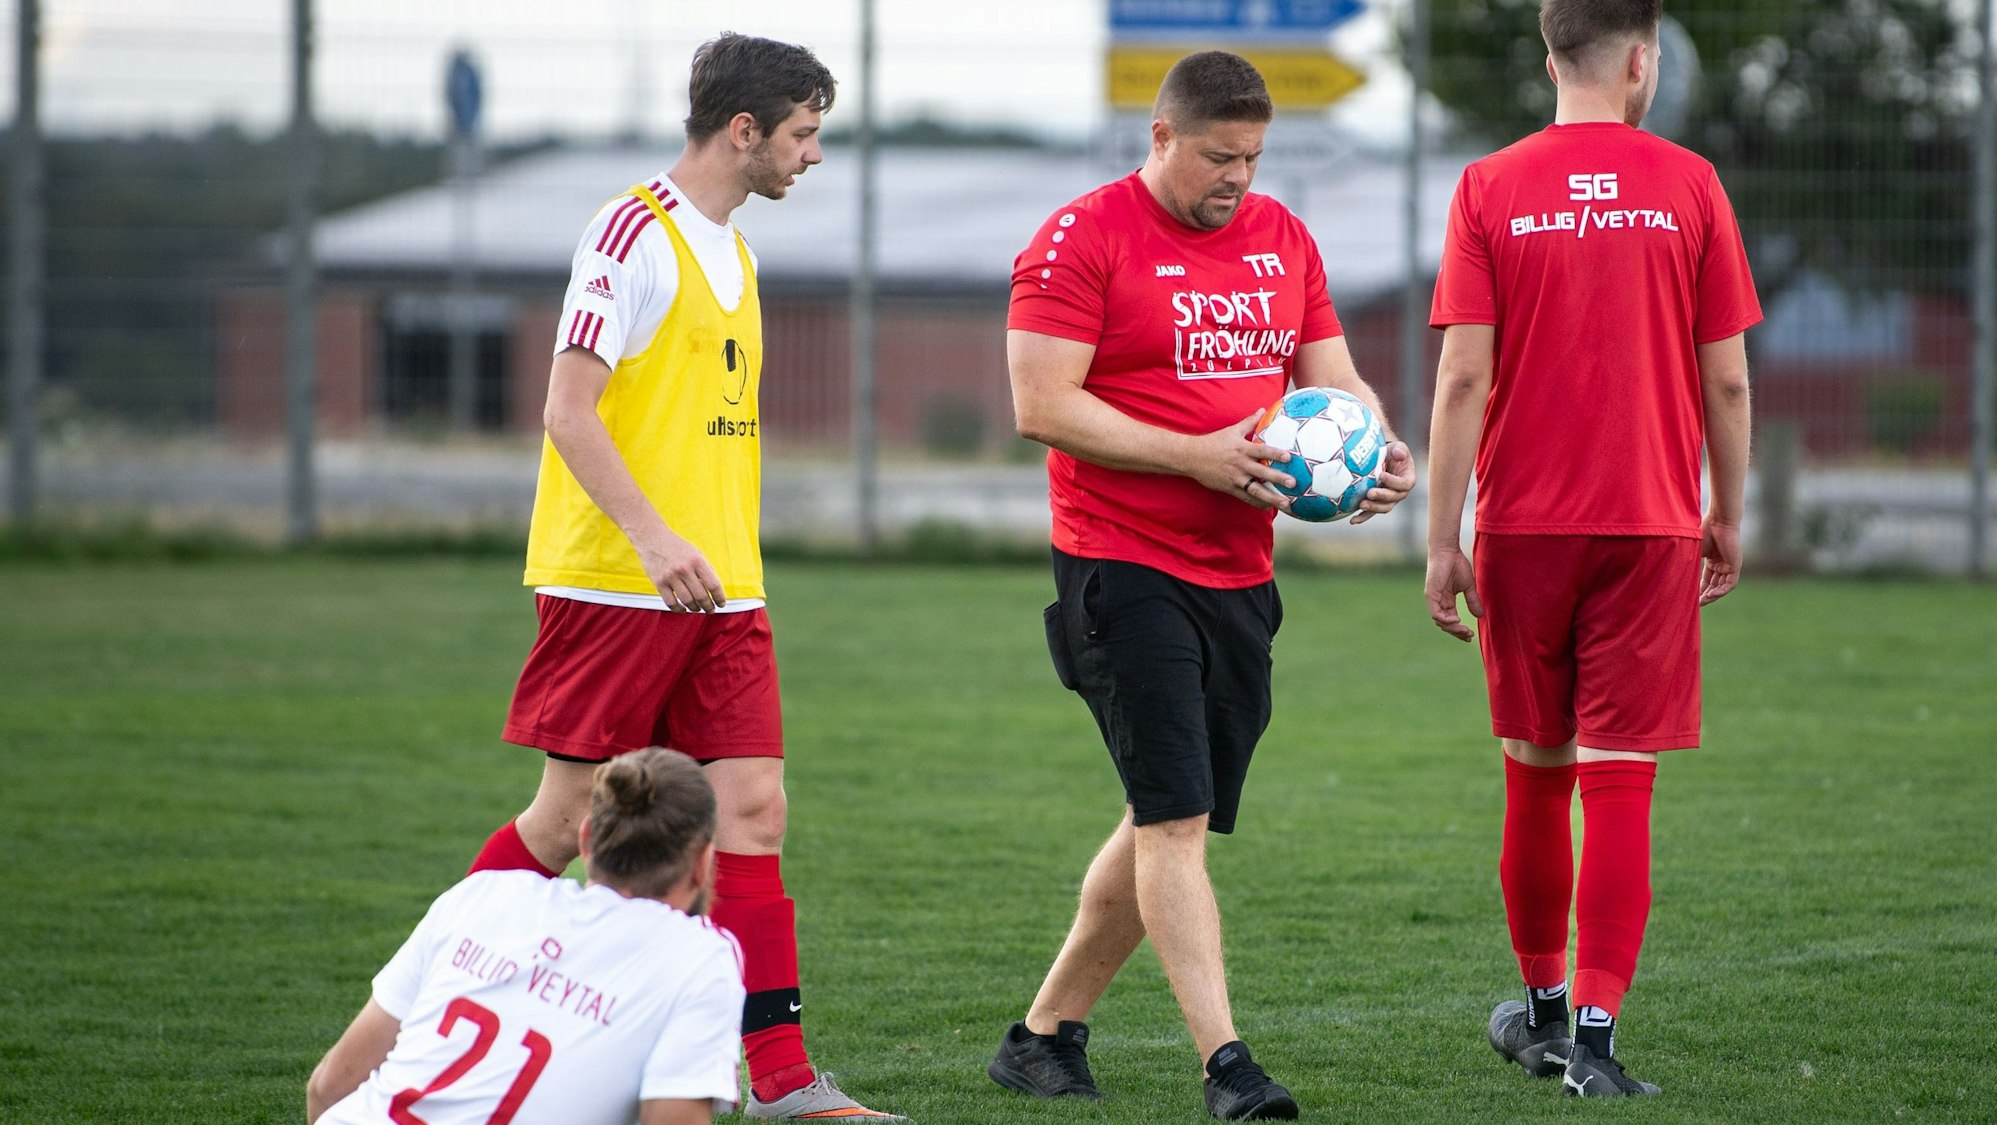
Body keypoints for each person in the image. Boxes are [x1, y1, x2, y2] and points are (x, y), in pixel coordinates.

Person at [461, 33, 901, 1122]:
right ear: (742, 130)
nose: (811, 155)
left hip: (724, 591)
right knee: (569, 819)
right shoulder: (630, 233)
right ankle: (443, 996)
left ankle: (784, 1080)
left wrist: (706, 551)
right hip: (617, 583)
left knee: (752, 808)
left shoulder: (734, 249)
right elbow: (568, 411)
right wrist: (656, 540)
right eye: (801, 133)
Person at [990, 50, 1416, 1122]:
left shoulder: (1281, 237)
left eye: (1253, 156)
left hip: (1239, 571)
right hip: (1118, 565)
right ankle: (1227, 1066)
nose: (1237, 176)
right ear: (1161, 137)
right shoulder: (1078, 239)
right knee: (1173, 817)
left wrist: (1372, 444)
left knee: (1162, 815)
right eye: (1219, 156)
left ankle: (1043, 1037)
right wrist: (1191, 454)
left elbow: (1329, 375)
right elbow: (1040, 403)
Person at [1424, 0, 1760, 1099]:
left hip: (1520, 524)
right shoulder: (1690, 184)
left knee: (1534, 772)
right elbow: (1726, 377)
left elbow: (1461, 379)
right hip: (1648, 519)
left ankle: (1541, 1016)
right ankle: (1599, 1046)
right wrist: (1726, 510)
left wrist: (1442, 537)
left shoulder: (1487, 186)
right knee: (1619, 785)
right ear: (1638, 60)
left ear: (1547, 52)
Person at [308, 749, 741, 1125]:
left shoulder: (486, 893)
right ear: (703, 863)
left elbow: (329, 1089)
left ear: (586, 839)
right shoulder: (700, 958)